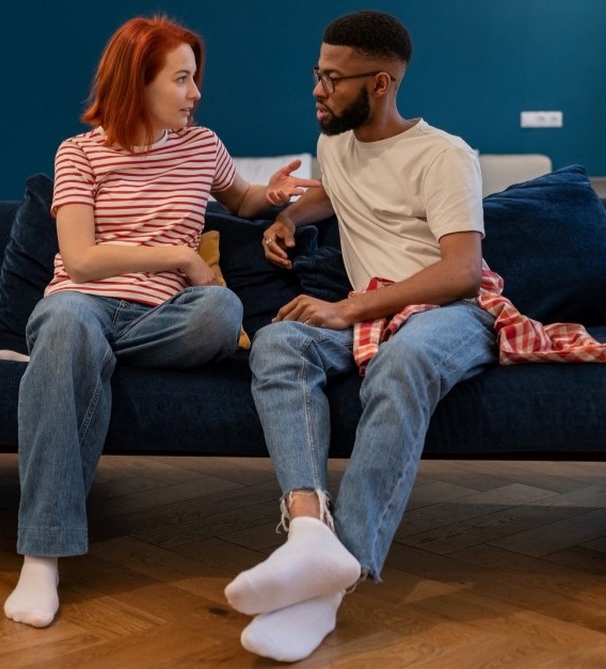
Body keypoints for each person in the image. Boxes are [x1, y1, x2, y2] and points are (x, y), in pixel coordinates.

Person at [4, 15, 320, 629]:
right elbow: (82, 258)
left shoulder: (202, 146)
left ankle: (85, 361)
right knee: (68, 324)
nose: (195, 93)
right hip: (82, 301)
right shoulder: (79, 154)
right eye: (181, 79)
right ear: (137, 82)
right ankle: (41, 555)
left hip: (165, 319)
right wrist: (179, 255)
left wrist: (274, 195)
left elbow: (241, 200)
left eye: (195, 79)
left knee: (222, 308)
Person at [225, 10, 495, 662]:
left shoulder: (444, 154)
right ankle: (309, 531)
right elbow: (343, 193)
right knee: (277, 341)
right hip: (368, 314)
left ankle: (331, 582)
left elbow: (462, 271)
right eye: (316, 75)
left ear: (379, 84)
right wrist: (288, 218)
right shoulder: (336, 145)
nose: (317, 90)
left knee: (404, 362)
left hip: (447, 311)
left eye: (332, 79)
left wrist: (353, 306)